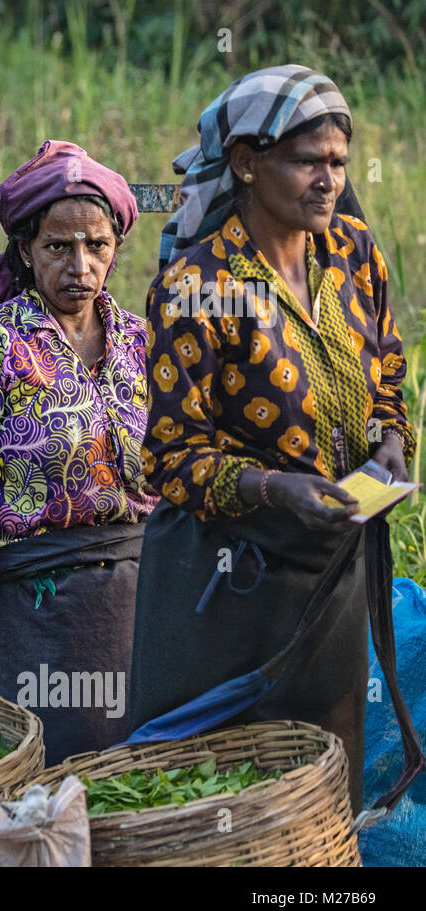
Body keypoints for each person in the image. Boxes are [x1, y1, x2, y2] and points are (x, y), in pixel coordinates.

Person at [132, 65, 415, 808]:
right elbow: (171, 457)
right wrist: (274, 487)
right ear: (247, 163)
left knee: (320, 786)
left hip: (327, 576)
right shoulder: (199, 286)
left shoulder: (353, 253)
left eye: (338, 163)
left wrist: (387, 441)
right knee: (218, 794)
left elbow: (386, 365)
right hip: (225, 585)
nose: (328, 181)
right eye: (306, 161)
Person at [0, 141, 156, 762]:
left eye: (96, 246)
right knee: (55, 771)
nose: (80, 264)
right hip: (37, 603)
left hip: (138, 596)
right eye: (59, 247)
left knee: (139, 770)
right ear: (26, 252)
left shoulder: (140, 340)